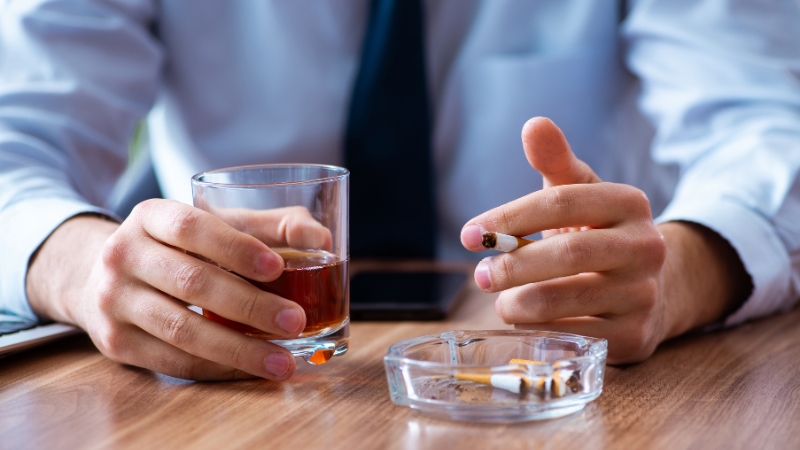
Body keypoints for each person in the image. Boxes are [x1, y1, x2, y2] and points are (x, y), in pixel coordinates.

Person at [1, 0, 798, 381]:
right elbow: (16, 137)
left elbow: (770, 127)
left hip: (554, 367)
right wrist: (86, 266)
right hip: (237, 369)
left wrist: (680, 273)